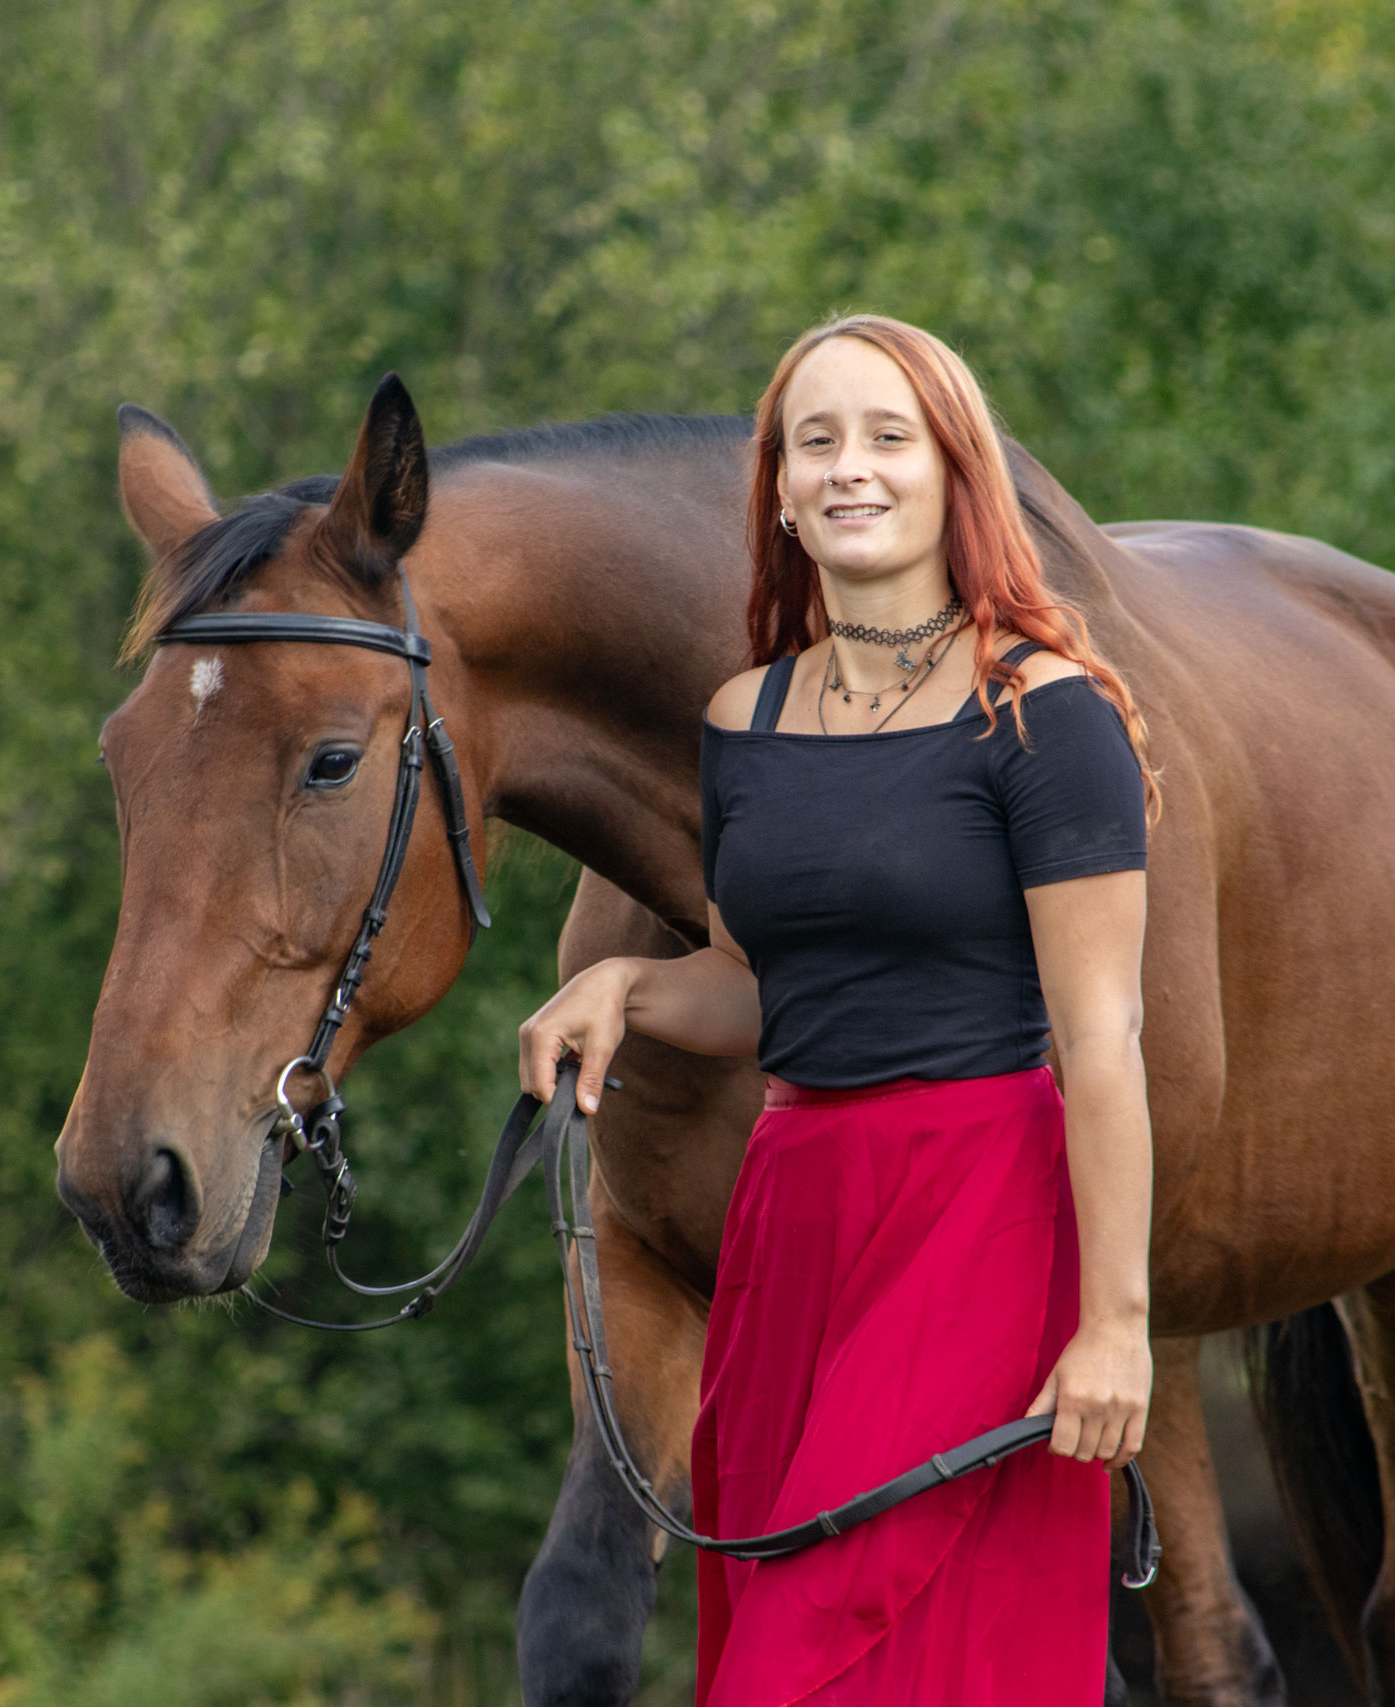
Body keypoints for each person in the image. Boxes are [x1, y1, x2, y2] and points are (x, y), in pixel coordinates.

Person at [518, 314, 1159, 1704]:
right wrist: (629, 984)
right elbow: (767, 993)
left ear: (955, 472)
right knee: (796, 1636)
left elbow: (1103, 1040)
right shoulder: (744, 723)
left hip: (978, 1211)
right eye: (817, 442)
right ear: (779, 492)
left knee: (822, 1655)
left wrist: (1116, 1323)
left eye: (888, 437)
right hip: (792, 1218)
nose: (850, 467)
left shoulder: (1045, 715)